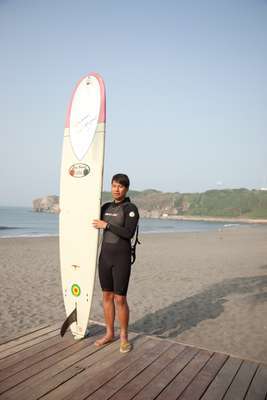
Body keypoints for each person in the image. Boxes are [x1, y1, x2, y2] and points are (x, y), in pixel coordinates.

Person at [92, 173, 139, 353]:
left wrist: (107, 226)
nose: (116, 189)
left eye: (120, 186)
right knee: (106, 296)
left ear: (126, 188)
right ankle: (109, 333)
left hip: (121, 257)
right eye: (113, 186)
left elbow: (128, 233)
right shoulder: (105, 207)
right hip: (104, 257)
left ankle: (124, 337)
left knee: (120, 298)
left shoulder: (130, 208)